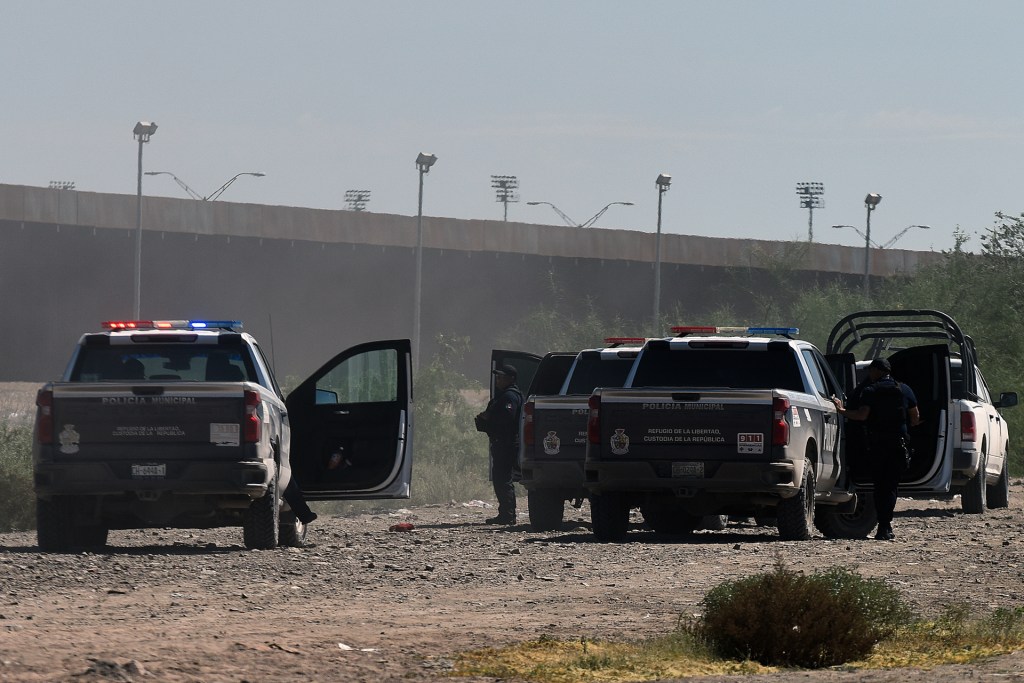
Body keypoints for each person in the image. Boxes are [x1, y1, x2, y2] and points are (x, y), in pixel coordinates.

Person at [832, 357, 920, 541]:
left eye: (870, 371)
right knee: (891, 487)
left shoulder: (870, 390)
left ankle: (884, 526)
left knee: (880, 487)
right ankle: (885, 526)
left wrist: (842, 410)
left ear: (876, 371)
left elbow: (862, 415)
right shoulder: (904, 389)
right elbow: (915, 417)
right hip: (899, 445)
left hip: (879, 445)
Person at [474, 364, 524, 525]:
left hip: (506, 442)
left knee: (503, 479)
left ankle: (508, 515)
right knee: (501, 479)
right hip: (501, 442)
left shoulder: (509, 396)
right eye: (497, 376)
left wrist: (489, 419)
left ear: (511, 379)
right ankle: (505, 513)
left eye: (501, 376)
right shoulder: (504, 395)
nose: (498, 379)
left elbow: (507, 419)